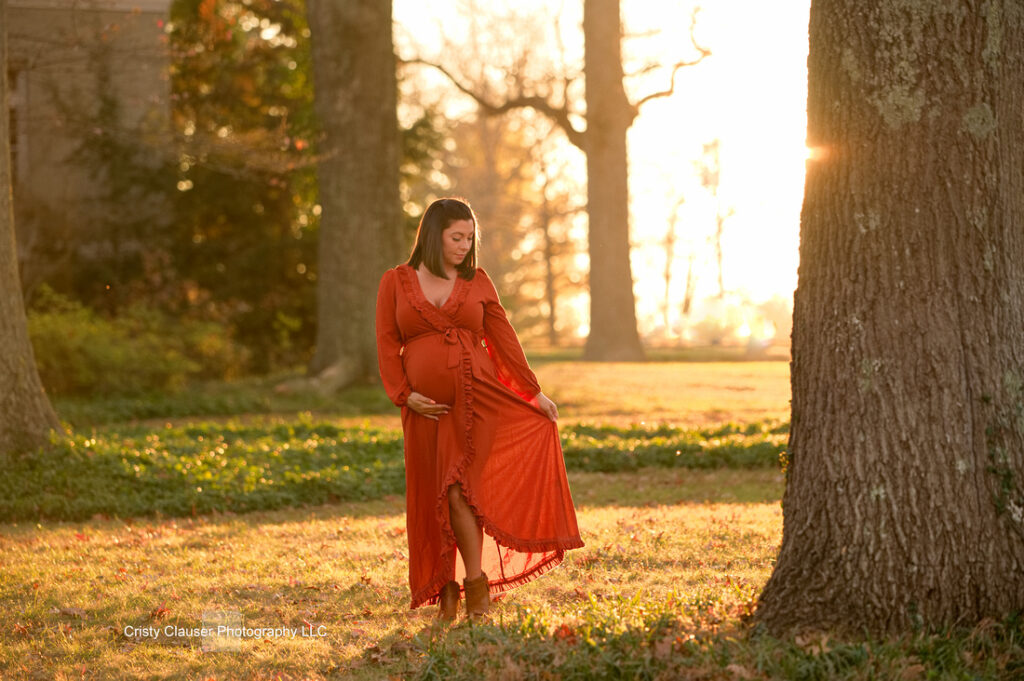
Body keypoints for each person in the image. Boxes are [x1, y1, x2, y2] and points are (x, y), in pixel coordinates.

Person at [375, 197, 584, 621]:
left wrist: (533, 393)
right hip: (424, 411)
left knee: (456, 491)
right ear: (433, 235)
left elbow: (504, 340)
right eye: (456, 237)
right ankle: (447, 589)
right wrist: (404, 395)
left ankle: (474, 588)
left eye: (469, 238)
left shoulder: (478, 281)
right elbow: (385, 341)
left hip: (477, 401)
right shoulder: (395, 281)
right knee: (433, 494)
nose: (464, 246)